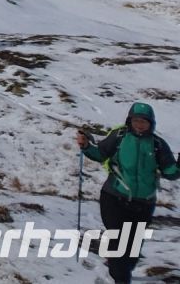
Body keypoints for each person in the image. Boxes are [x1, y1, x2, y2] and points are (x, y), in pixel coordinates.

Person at [77, 103, 180, 283]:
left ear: (151, 123)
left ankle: (120, 268)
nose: (139, 124)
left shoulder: (157, 144)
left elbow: (170, 173)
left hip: (144, 203)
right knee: (119, 244)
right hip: (114, 197)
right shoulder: (119, 137)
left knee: (132, 248)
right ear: (130, 121)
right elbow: (100, 154)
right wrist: (86, 146)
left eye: (144, 121)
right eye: (136, 120)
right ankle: (120, 277)